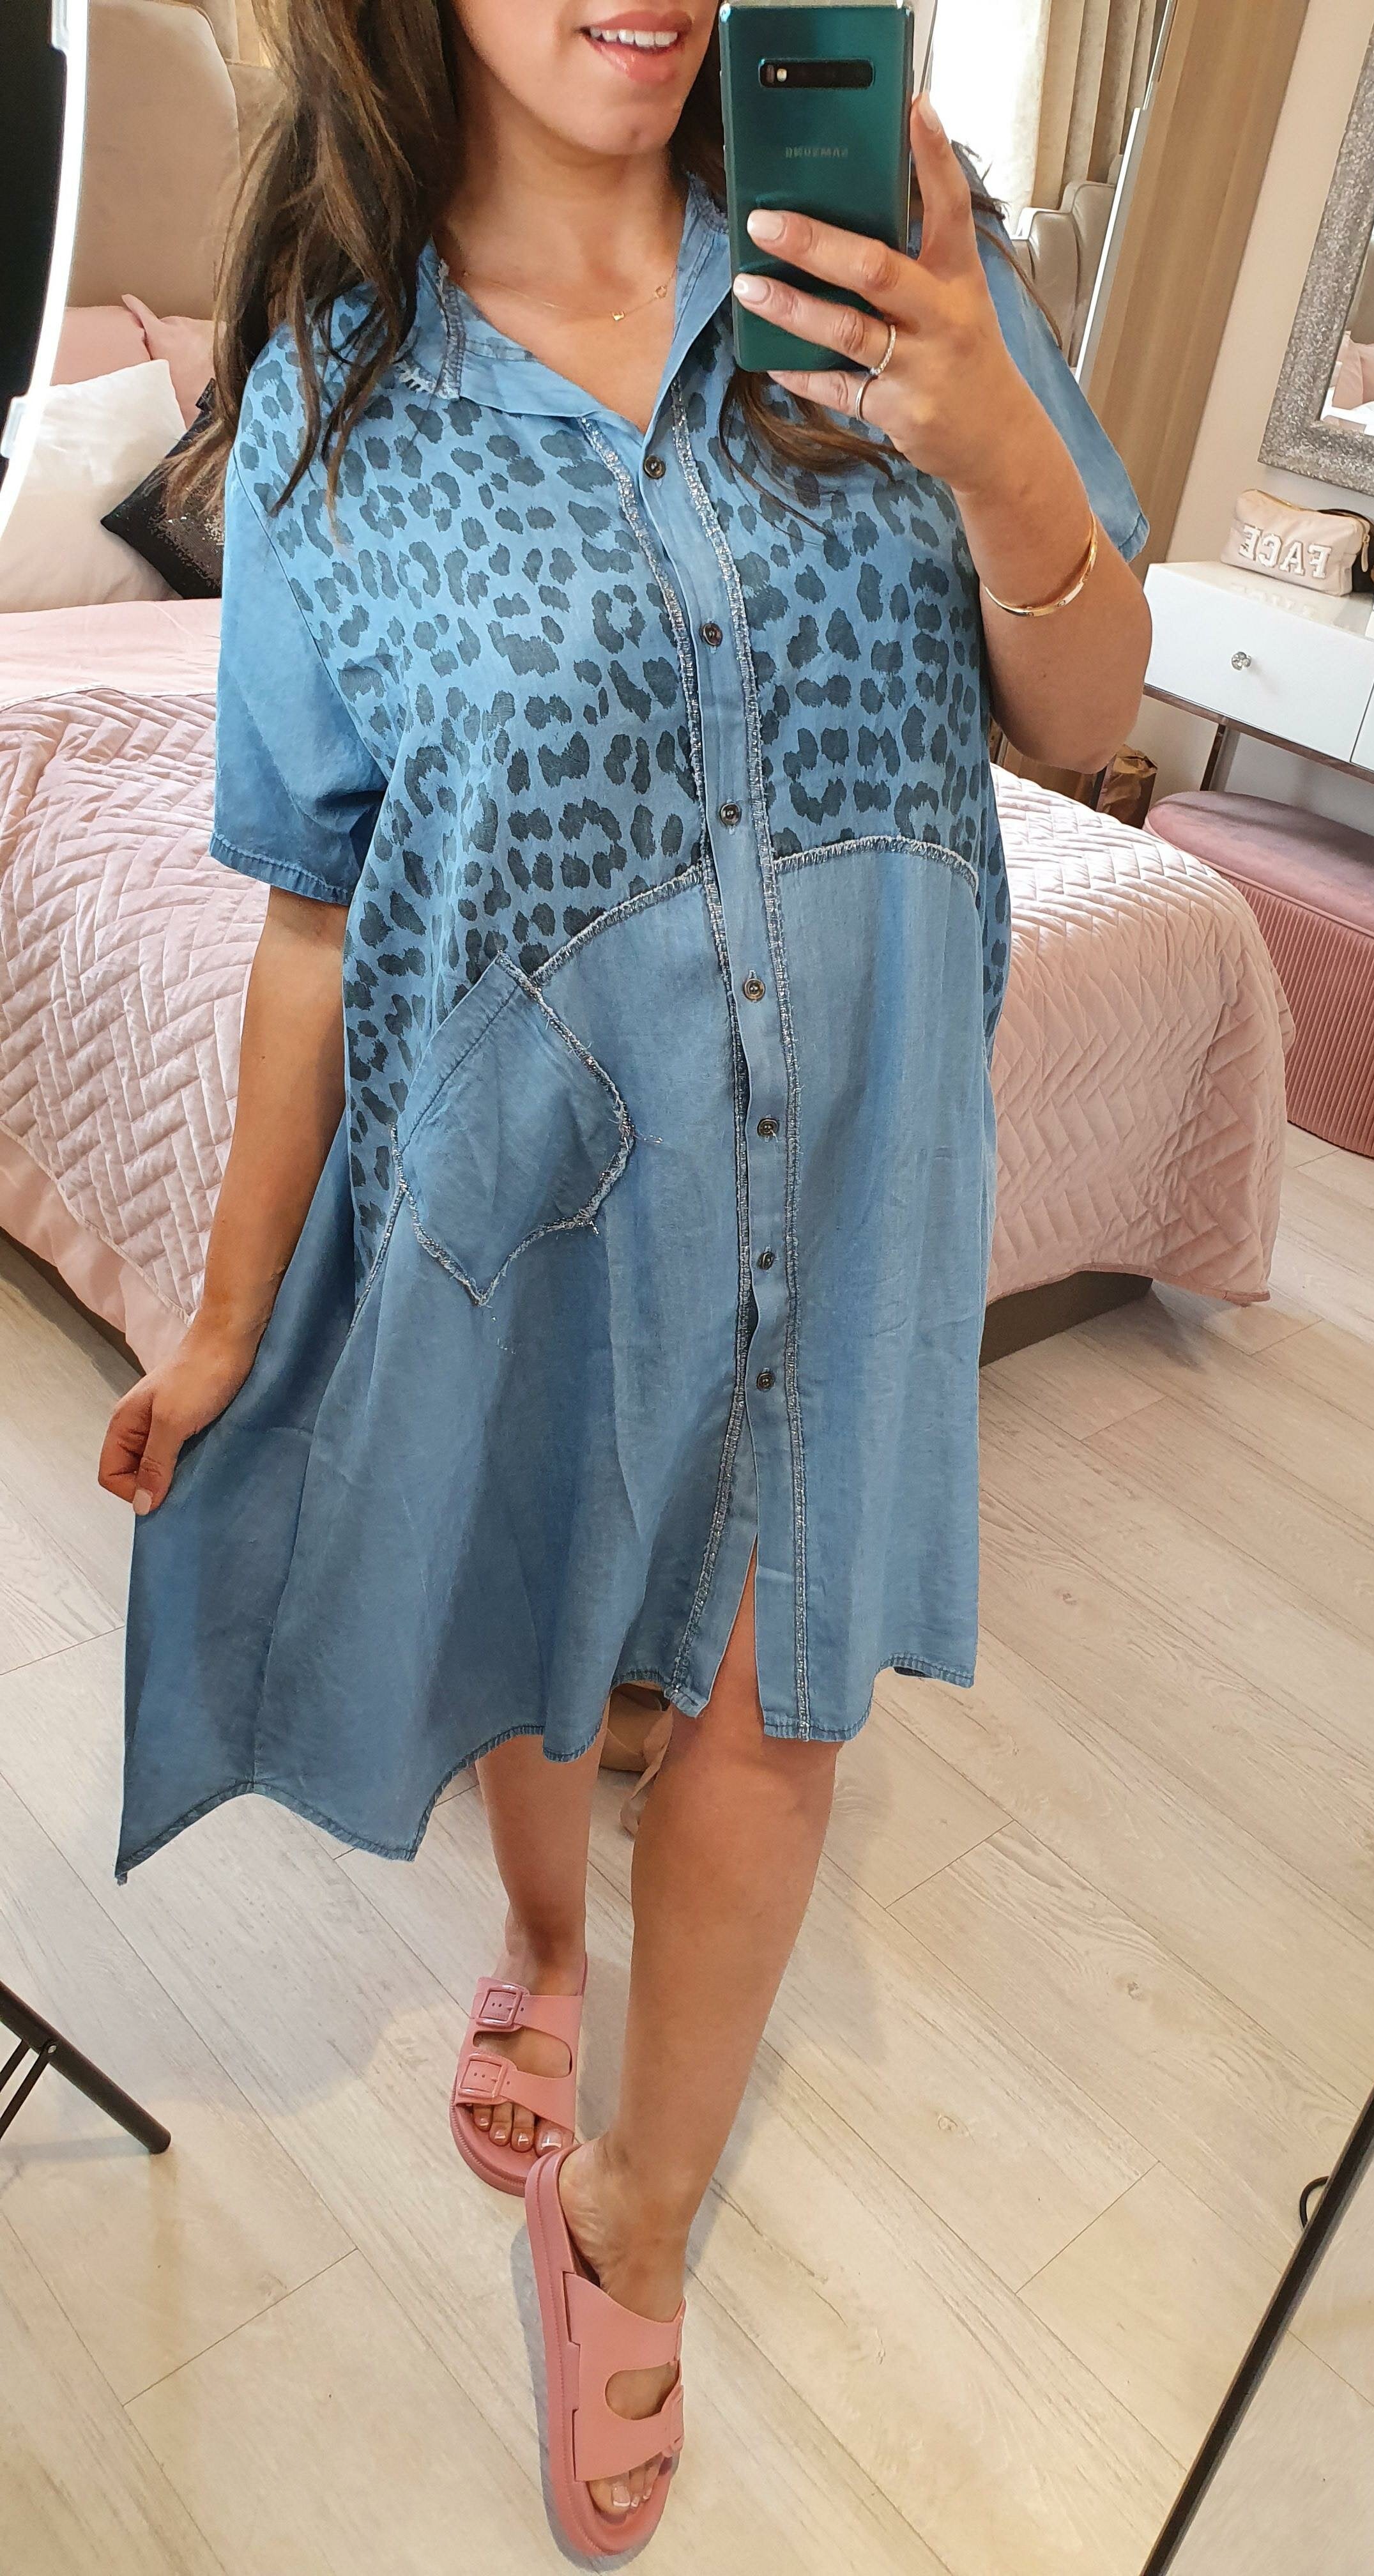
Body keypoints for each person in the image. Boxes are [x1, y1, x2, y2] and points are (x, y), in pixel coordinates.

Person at [99, 1, 1150, 2549]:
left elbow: (1089, 702)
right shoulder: (335, 402)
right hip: (536, 1162)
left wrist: (994, 441)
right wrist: (226, 1314)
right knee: (542, 1619)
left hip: (864, 1156)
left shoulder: (894, 250)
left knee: (781, 1701)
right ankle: (550, 1951)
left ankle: (629, 2227)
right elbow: (316, 911)